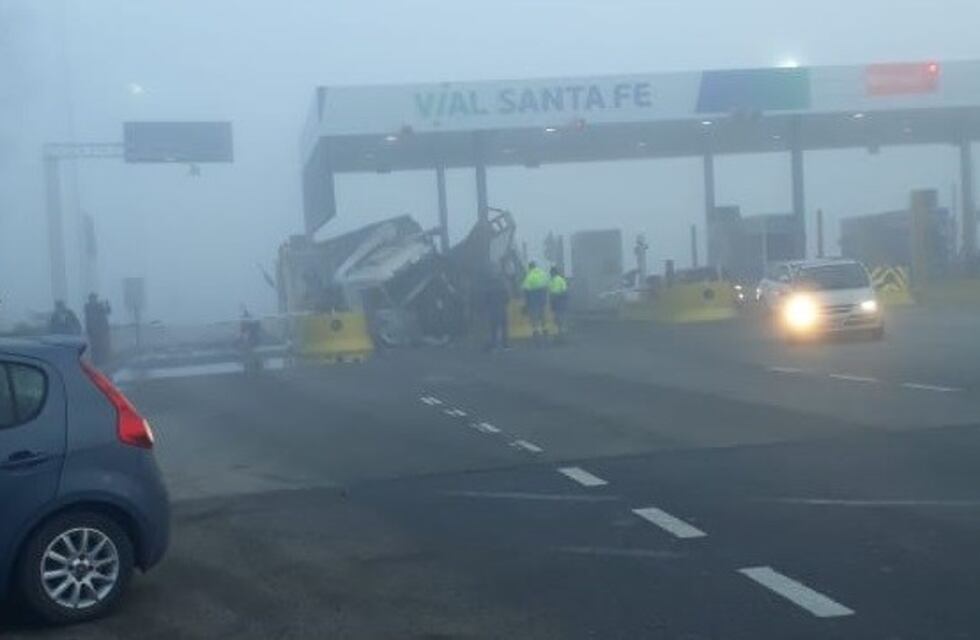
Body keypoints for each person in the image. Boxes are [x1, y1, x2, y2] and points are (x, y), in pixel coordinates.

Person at [480, 270, 510, 351]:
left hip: (492, 309)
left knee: (494, 327)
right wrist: (504, 302)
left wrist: (486, 307)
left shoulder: (488, 286)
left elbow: (485, 299)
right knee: (503, 326)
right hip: (501, 307)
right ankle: (505, 345)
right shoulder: (502, 285)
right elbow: (507, 297)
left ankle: (494, 344)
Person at [521, 261, 549, 343]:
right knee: (542, 314)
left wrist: (525, 302)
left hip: (533, 298)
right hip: (542, 297)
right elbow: (547, 284)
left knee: (535, 315)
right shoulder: (542, 273)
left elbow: (525, 289)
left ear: (530, 267)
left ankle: (536, 332)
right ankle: (545, 330)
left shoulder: (529, 276)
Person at [84, 293, 112, 365]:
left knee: (102, 345)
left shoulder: (100, 306)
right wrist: (88, 329)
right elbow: (88, 319)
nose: (93, 300)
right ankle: (95, 361)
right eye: (92, 298)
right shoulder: (87, 307)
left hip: (101, 330)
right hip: (92, 331)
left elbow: (108, 311)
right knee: (94, 347)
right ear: (90, 299)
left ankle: (103, 360)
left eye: (94, 298)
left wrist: (107, 304)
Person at [548, 266, 569, 339]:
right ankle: (560, 329)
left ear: (553, 273)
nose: (550, 274)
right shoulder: (559, 279)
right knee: (559, 314)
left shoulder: (557, 280)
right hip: (558, 299)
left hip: (558, 298)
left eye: (551, 273)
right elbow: (564, 290)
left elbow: (564, 290)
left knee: (558, 314)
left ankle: (561, 329)